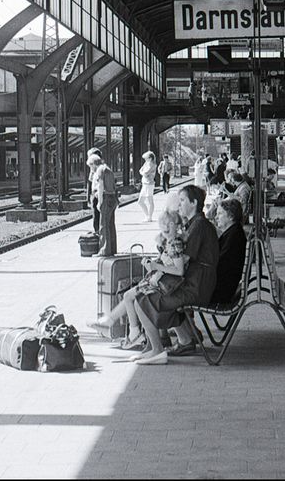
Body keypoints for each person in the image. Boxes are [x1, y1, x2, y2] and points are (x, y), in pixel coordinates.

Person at [132, 185, 219, 365]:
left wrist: (157, 266)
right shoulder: (196, 223)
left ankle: (157, 350)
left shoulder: (198, 226)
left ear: (194, 203)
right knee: (147, 294)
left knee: (142, 299)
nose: (179, 205)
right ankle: (158, 347)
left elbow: (181, 263)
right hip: (197, 282)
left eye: (182, 201)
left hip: (196, 287)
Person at [91, 209, 188, 349]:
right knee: (128, 295)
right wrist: (152, 265)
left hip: (166, 286)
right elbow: (167, 263)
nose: (165, 228)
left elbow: (179, 271)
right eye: (163, 225)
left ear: (175, 225)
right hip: (161, 282)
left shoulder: (176, 243)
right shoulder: (170, 242)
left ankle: (131, 331)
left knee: (130, 296)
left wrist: (156, 266)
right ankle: (118, 325)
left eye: (169, 224)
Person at [208, 198, 247, 307]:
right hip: (224, 288)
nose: (216, 217)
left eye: (220, 214)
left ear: (230, 216)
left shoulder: (234, 237)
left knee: (178, 295)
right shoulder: (234, 232)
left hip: (221, 293)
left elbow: (219, 265)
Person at [88, 154, 118, 256]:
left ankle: (104, 250)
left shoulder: (100, 170)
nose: (91, 169)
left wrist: (99, 202)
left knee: (103, 225)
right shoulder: (108, 168)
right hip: (112, 198)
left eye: (90, 166)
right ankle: (112, 249)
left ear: (93, 164)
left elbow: (100, 186)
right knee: (110, 225)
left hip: (105, 198)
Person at [137, 151, 157, 222]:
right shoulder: (146, 163)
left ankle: (150, 217)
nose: (145, 160)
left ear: (150, 158)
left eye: (146, 158)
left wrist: (143, 173)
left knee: (150, 201)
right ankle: (147, 215)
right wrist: (143, 173)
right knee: (140, 201)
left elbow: (145, 173)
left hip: (149, 184)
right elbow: (141, 171)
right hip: (144, 184)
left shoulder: (152, 165)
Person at [86, 148, 102, 233]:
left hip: (97, 195)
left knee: (96, 215)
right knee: (97, 215)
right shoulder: (95, 168)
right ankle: (98, 231)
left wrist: (89, 196)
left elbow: (90, 182)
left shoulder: (98, 169)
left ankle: (97, 231)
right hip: (96, 194)